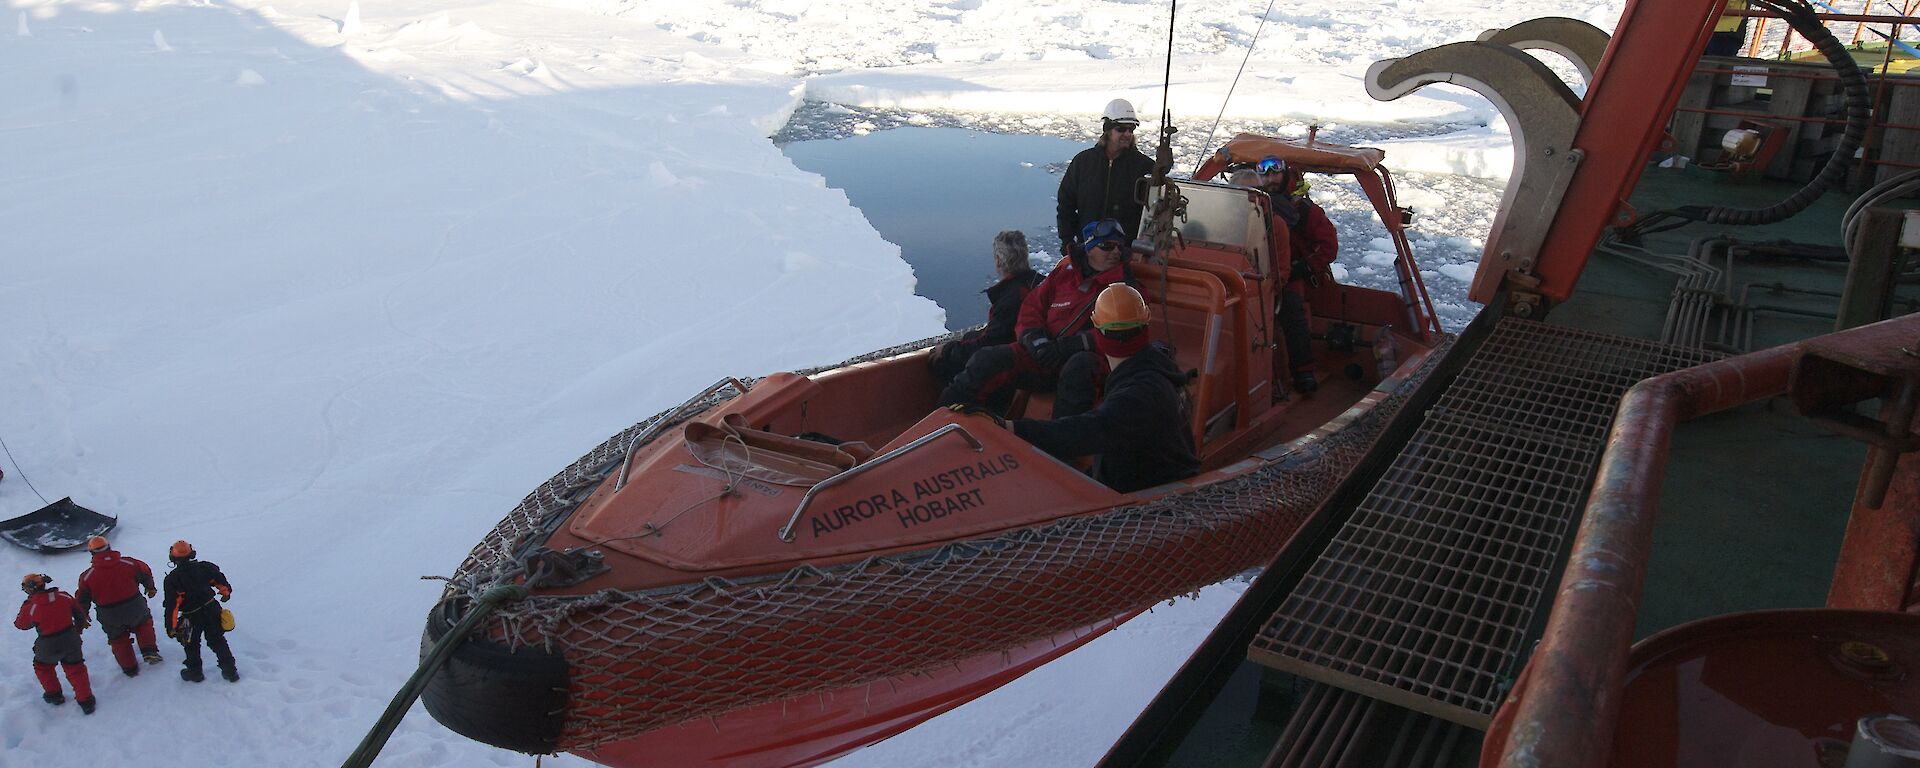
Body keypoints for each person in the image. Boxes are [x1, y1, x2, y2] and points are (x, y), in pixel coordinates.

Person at [1010, 284, 1199, 493]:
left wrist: (1011, 430)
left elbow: (1085, 432)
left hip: (1150, 503)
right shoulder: (1156, 368)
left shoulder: (1139, 394)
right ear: (1145, 326)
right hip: (1151, 481)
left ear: (1098, 333)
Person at [937, 219, 1135, 413]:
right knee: (987, 359)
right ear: (1089, 247)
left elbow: (1122, 334)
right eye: (1107, 246)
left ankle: (1058, 440)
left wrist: (1066, 347)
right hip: (1045, 356)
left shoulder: (1125, 289)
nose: (1116, 252)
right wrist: (1035, 339)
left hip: (1087, 364)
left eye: (1119, 246)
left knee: (1079, 367)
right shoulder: (1064, 274)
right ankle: (942, 424)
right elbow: (1031, 307)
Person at [1257, 156, 1339, 394]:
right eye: (1266, 175)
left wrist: (1303, 267)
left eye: (1275, 174)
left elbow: (1328, 245)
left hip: (1290, 271)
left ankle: (1303, 371)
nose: (1270, 179)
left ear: (1284, 174)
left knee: (1292, 310)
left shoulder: (1302, 210)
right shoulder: (1251, 200)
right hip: (1255, 267)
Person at [928, 230, 1045, 383]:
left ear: (998, 261)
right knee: (969, 337)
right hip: (1034, 357)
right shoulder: (1041, 284)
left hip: (1014, 367)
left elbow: (989, 344)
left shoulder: (1010, 299)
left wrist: (947, 350)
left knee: (941, 362)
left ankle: (962, 404)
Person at [1056, 98, 1155, 256]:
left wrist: (1162, 169)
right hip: (1088, 250)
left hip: (1123, 254)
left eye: (1131, 129)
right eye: (1121, 129)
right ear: (1107, 129)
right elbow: (1065, 204)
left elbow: (1156, 209)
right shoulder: (1083, 162)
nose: (1128, 134)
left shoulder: (1143, 166)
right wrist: (1067, 240)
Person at [75, 536, 163, 677]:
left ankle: (129, 668)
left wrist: (82, 616)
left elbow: (82, 599)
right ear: (109, 547)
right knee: (143, 625)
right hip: (135, 605)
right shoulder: (129, 563)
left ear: (92, 553)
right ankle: (149, 651)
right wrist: (150, 587)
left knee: (118, 639)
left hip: (109, 614)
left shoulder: (87, 576)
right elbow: (145, 571)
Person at [15, 573, 96, 713]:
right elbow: (79, 614)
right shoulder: (64, 597)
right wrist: (77, 631)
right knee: (76, 669)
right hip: (71, 639)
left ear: (31, 589)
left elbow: (21, 624)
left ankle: (54, 695)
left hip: (47, 644)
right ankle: (86, 701)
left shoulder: (31, 607)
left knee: (43, 668)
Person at [162, 540, 237, 683]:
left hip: (189, 616)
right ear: (192, 553)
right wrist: (225, 593)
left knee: (190, 645)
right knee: (218, 641)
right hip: (211, 608)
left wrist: (171, 627)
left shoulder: (172, 579)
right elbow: (220, 580)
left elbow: (172, 606)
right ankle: (230, 671)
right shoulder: (204, 567)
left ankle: (195, 672)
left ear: (173, 557)